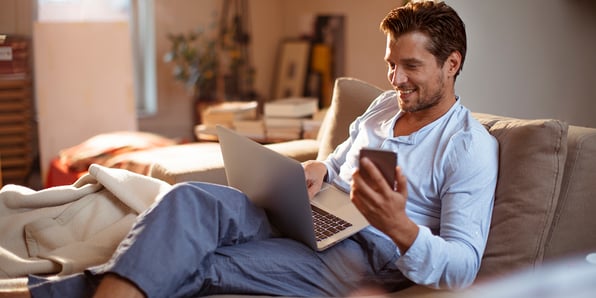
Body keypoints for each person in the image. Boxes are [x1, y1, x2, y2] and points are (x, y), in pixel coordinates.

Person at [1, 1, 498, 297]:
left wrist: (401, 228)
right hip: (313, 212)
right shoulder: (384, 106)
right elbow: (345, 154)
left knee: (202, 262)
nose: (395, 79)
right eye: (391, 64)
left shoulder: (468, 148)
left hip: (366, 253)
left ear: (452, 64)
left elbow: (462, 267)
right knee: (190, 199)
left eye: (410, 66)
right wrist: (319, 167)